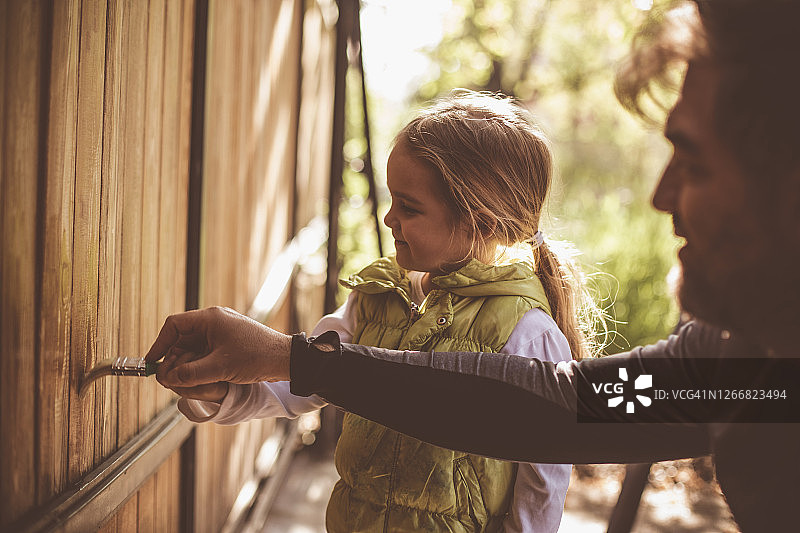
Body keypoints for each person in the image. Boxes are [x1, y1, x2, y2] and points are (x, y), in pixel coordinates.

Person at [147, 2, 800, 531]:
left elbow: (540, 456)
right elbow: (554, 410)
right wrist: (284, 362)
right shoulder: (729, 371)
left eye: (696, 162)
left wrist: (293, 359)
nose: (661, 195)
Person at [160, 93, 603, 532]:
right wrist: (219, 391)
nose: (390, 219)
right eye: (392, 199)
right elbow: (297, 387)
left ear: (479, 221)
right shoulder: (376, 298)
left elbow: (542, 486)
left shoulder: (527, 333)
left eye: (409, 207)